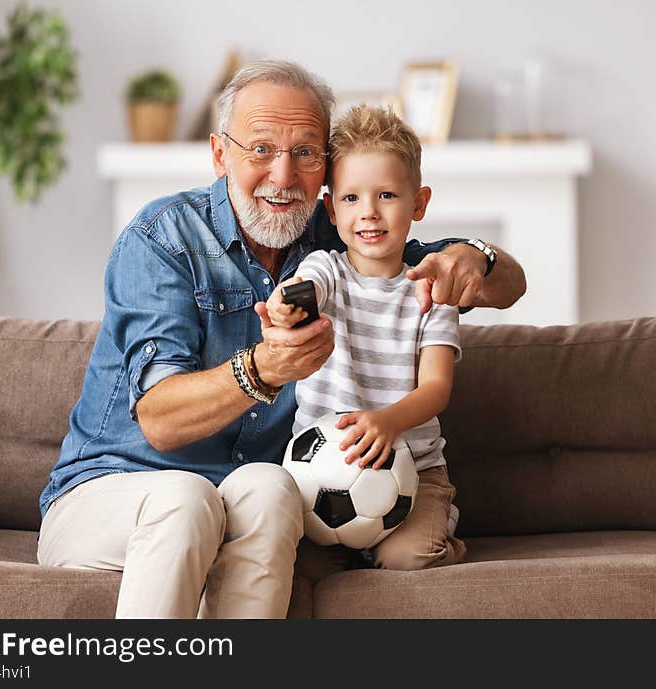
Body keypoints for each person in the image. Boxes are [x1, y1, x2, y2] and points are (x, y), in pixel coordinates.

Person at [36, 59, 526, 619]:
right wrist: (265, 368)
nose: (284, 176)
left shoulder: (339, 235)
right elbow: (160, 420)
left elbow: (502, 282)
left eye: (305, 153)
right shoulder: (163, 238)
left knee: (271, 488)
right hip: (115, 492)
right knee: (186, 498)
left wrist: (477, 256)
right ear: (220, 154)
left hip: (236, 498)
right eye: (261, 149)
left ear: (327, 171)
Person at [266, 103, 465, 571]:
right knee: (288, 566)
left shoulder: (430, 291)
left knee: (406, 558)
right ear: (330, 210)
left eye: (387, 196)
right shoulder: (327, 269)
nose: (369, 213)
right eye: (351, 198)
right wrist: (285, 304)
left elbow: (436, 388)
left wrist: (388, 422)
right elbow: (306, 289)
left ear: (418, 203)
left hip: (413, 467)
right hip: (321, 472)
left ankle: (441, 535)